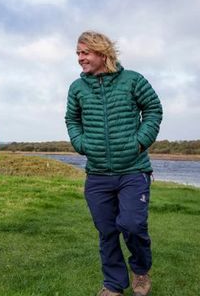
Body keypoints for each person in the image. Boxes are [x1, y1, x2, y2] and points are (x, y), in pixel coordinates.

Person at [65, 31, 163, 296]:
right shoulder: (77, 87)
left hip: (133, 169)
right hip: (97, 174)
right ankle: (113, 284)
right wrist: (81, 143)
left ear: (102, 52)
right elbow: (72, 120)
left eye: (84, 52)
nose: (80, 58)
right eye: (78, 53)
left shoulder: (133, 80)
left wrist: (139, 142)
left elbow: (153, 109)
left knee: (132, 225)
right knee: (107, 231)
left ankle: (141, 271)